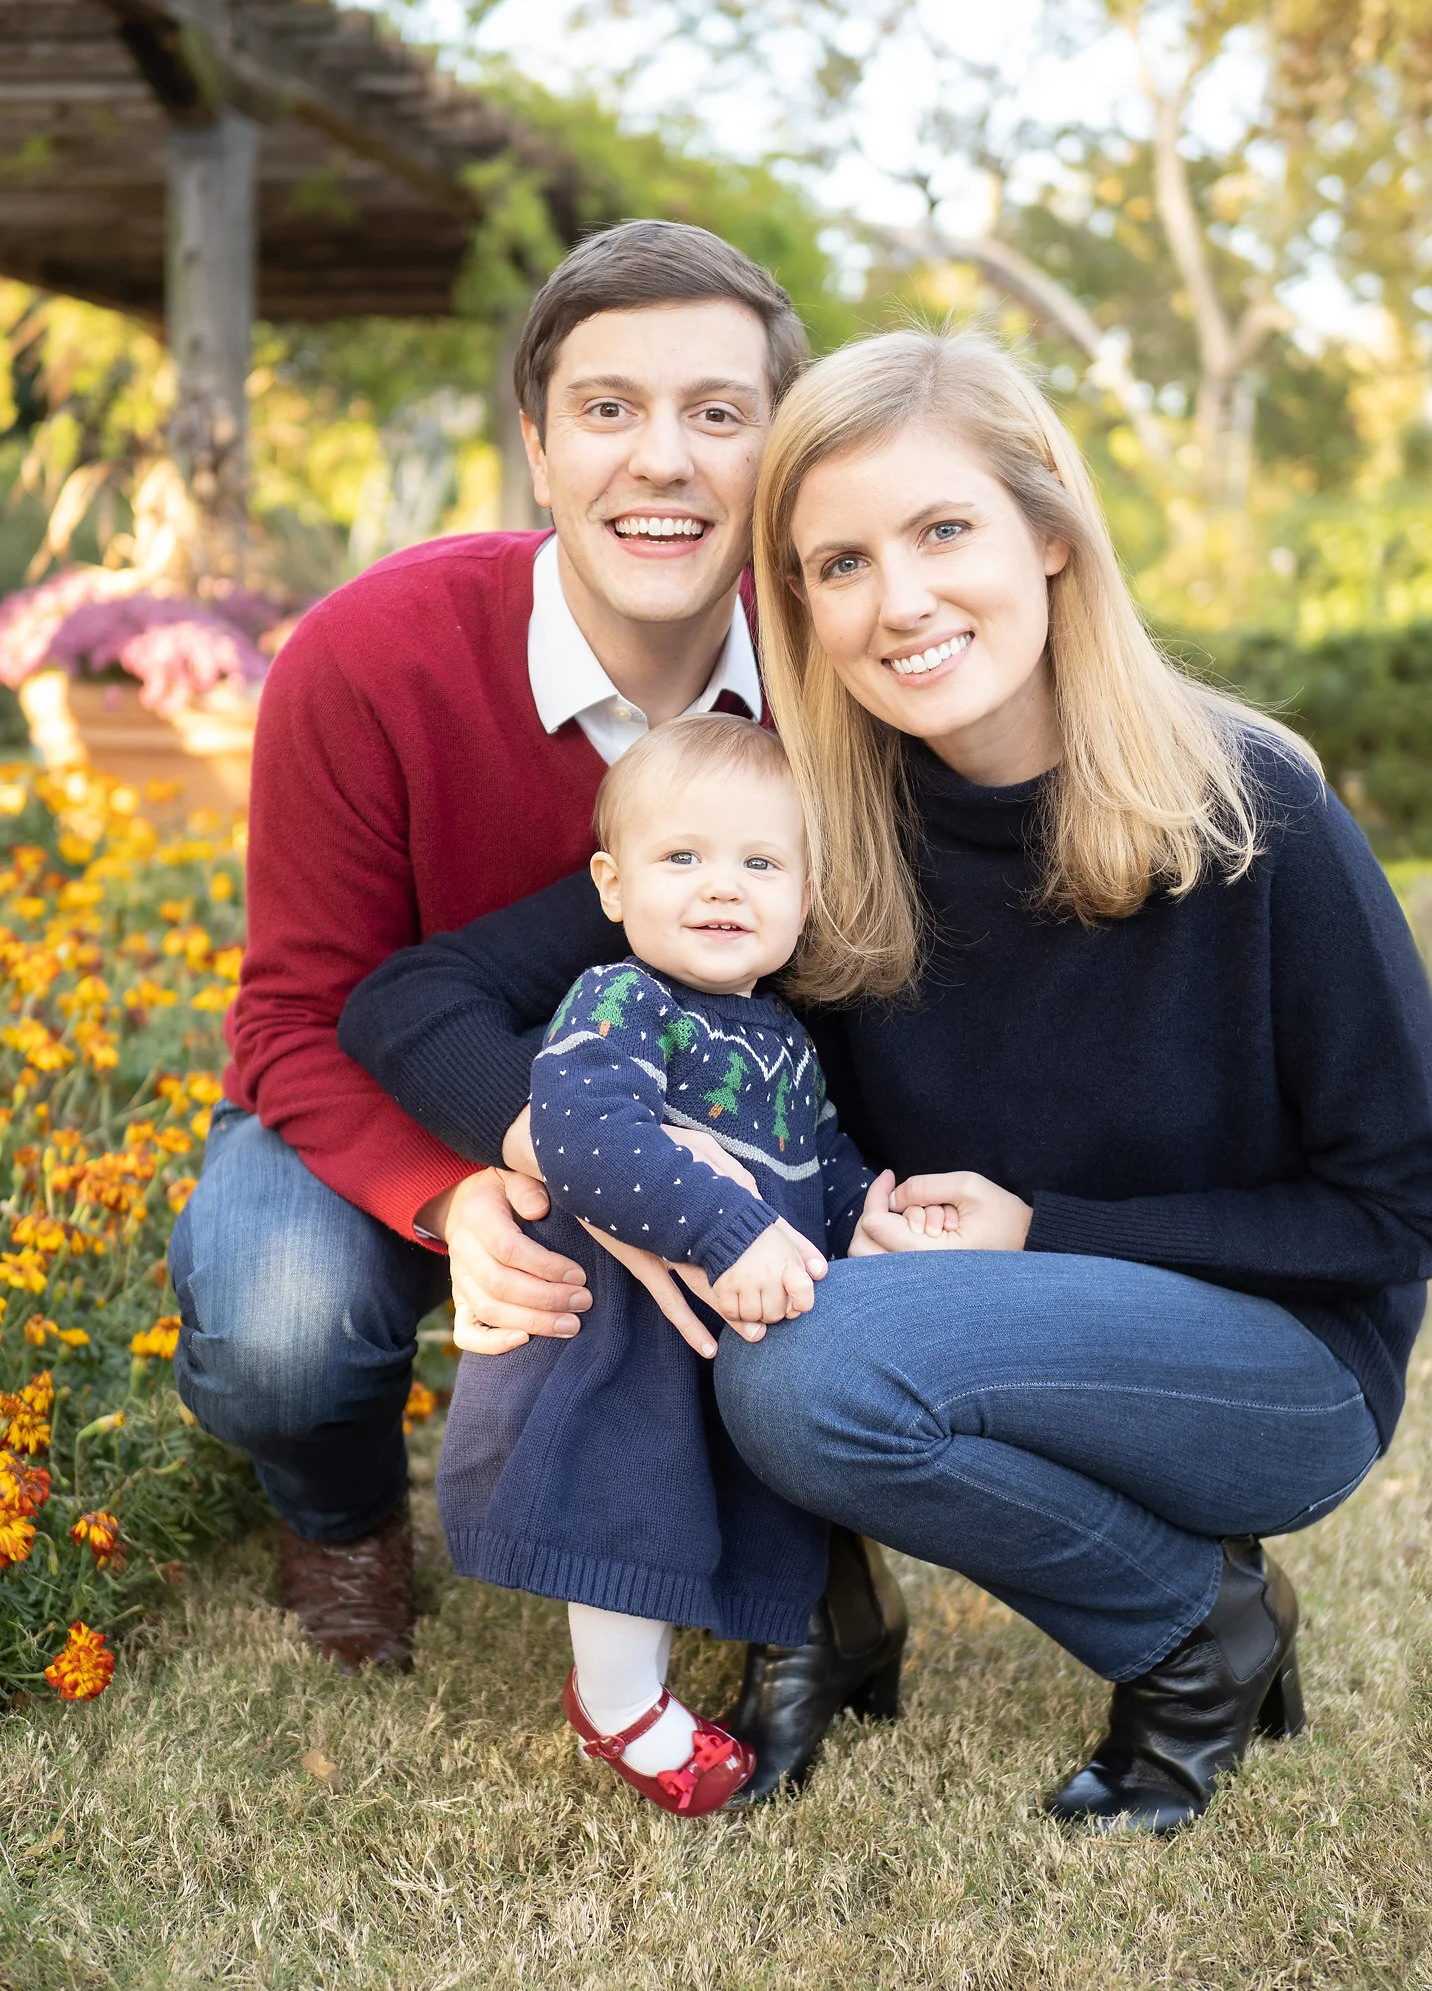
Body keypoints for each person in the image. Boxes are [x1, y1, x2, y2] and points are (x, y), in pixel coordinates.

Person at [331, 329, 1432, 1832]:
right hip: (947, 1320)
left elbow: (1395, 1218)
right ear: (800, 602)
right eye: (842, 563)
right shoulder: (811, 823)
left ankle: (1201, 1626)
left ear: (1048, 533)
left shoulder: (1253, 814)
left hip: (1275, 1369)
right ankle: (828, 1609)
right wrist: (560, 1159)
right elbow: (417, 997)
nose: (901, 601)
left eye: (943, 531)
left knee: (807, 1367)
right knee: (733, 1245)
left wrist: (1039, 1231)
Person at [166, 221, 910, 1760]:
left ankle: (778, 1518)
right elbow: (295, 1017)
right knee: (282, 1324)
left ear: (780, 455)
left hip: (729, 1115)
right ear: (538, 445)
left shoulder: (844, 674)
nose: (663, 460)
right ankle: (342, 1514)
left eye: (719, 412)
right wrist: (473, 1191)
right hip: (404, 1102)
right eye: (608, 408)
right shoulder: (370, 657)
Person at [352, 713, 902, 1814]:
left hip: (711, 1342)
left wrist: (867, 1218)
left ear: (807, 895)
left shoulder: (785, 1040)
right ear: (612, 885)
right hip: (617, 1339)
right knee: (626, 1504)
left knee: (709, 1503)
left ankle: (796, 1642)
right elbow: (583, 1132)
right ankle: (619, 1704)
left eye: (761, 864)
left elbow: (819, 1162)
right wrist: (727, 1230)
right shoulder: (621, 1000)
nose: (722, 886)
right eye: (682, 857)